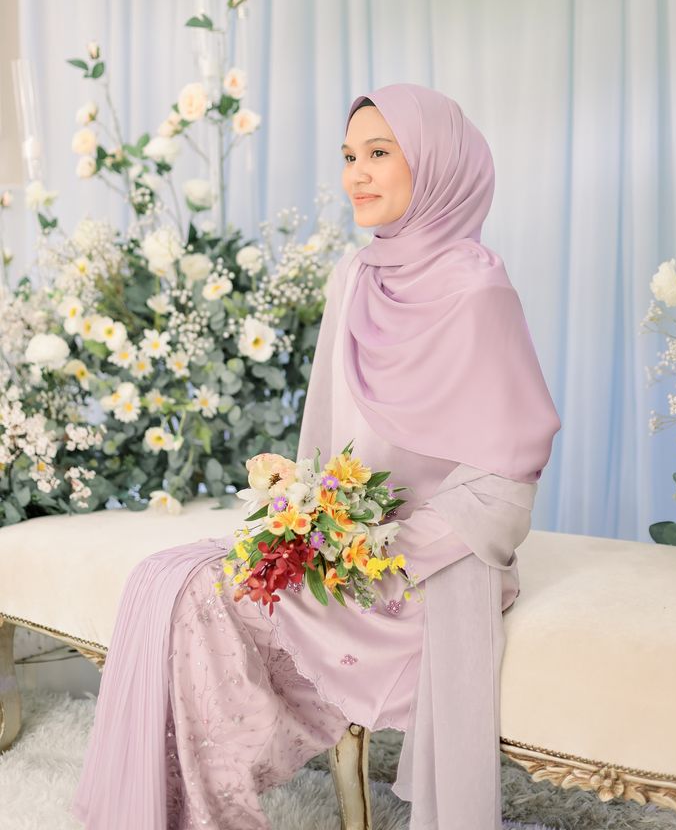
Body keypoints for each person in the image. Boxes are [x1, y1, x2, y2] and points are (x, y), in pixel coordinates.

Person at [71, 83, 562, 830]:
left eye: (377, 153)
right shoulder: (354, 277)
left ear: (435, 165)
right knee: (166, 582)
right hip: (340, 543)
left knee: (204, 597)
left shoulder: (478, 291)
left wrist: (381, 549)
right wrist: (304, 521)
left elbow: (504, 489)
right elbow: (327, 444)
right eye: (347, 157)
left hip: (435, 568)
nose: (355, 175)